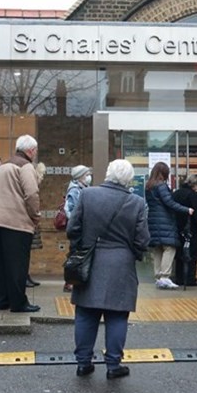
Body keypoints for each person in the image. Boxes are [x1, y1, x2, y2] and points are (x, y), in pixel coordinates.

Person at [67, 159, 150, 379]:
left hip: (90, 262)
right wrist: (133, 254)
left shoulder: (87, 195)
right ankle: (113, 366)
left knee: (85, 313)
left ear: (107, 174)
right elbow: (143, 240)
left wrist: (82, 247)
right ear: (128, 179)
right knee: (117, 316)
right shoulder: (136, 203)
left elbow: (72, 228)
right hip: (121, 265)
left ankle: (83, 363)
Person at [0, 134, 41, 313]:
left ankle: (1, 300)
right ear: (31, 150)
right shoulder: (25, 166)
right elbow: (32, 194)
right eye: (35, 150)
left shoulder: (4, 166)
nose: (35, 154)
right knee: (18, 265)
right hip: (17, 222)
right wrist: (35, 216)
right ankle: (19, 303)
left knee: (1, 264)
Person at [145, 162, 193, 289]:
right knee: (169, 247)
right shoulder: (161, 186)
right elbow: (169, 202)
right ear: (163, 173)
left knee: (158, 249)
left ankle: (158, 277)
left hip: (153, 221)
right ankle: (165, 276)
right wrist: (186, 209)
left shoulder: (149, 186)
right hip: (164, 220)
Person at [171, 174, 197, 287]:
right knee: (192, 255)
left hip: (177, 228)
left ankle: (179, 277)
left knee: (180, 254)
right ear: (194, 185)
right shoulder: (192, 196)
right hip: (191, 229)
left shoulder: (176, 193)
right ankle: (190, 278)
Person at [63, 165, 92, 292]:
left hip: (82, 228)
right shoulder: (74, 190)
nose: (89, 177)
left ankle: (74, 279)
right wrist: (79, 222)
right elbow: (70, 210)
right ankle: (70, 281)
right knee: (74, 254)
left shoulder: (83, 189)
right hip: (78, 229)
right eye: (86, 175)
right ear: (80, 176)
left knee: (77, 253)